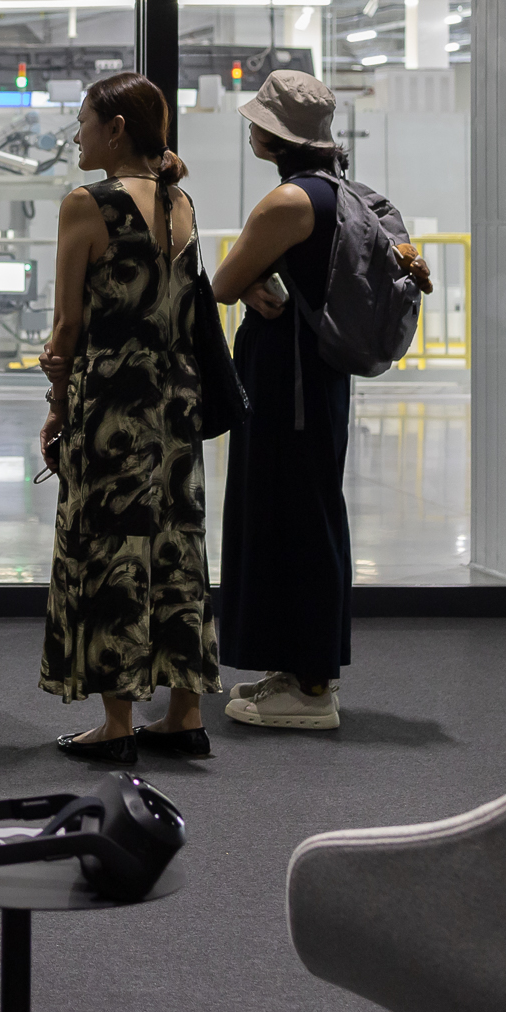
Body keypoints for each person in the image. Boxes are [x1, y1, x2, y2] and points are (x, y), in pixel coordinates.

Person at [209, 68, 427, 730]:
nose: (250, 128)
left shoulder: (287, 204)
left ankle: (310, 691)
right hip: (319, 380)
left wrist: (248, 285)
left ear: (276, 137)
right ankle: (302, 668)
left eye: (258, 121)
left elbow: (223, 281)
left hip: (286, 382)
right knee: (308, 511)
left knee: (289, 516)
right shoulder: (346, 193)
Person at [37, 70, 223, 765]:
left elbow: (66, 328)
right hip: (177, 403)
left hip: (113, 402)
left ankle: (117, 722)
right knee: (176, 546)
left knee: (111, 546)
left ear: (115, 128)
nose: (77, 134)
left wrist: (56, 408)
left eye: (84, 121)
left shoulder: (88, 204)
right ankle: (184, 710)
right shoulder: (183, 203)